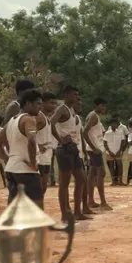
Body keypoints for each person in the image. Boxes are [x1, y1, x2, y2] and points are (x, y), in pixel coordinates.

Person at [0, 89, 45, 208]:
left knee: (13, 209)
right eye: (38, 104)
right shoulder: (28, 119)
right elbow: (31, 140)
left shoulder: (11, 121)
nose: (40, 107)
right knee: (37, 207)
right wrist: (32, 162)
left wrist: (7, 159)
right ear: (28, 104)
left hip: (12, 169)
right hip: (26, 171)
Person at [52, 86, 91, 220]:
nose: (76, 97)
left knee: (81, 179)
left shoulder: (72, 110)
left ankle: (77, 211)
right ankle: (65, 213)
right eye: (74, 94)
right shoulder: (62, 109)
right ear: (67, 95)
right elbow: (51, 123)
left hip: (73, 148)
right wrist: (60, 139)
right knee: (65, 181)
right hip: (65, 149)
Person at [83, 98, 112, 211]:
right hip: (94, 149)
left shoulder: (95, 116)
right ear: (97, 105)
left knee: (92, 174)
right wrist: (94, 147)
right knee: (101, 173)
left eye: (105, 106)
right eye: (102, 105)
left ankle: (90, 200)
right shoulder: (93, 115)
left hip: (94, 148)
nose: (104, 108)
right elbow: (85, 131)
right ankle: (103, 202)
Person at [37, 92, 58, 190]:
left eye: (55, 104)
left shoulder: (48, 118)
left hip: (47, 154)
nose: (54, 106)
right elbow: (29, 134)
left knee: (44, 186)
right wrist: (38, 145)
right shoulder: (39, 117)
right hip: (39, 155)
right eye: (51, 103)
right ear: (43, 103)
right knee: (39, 185)